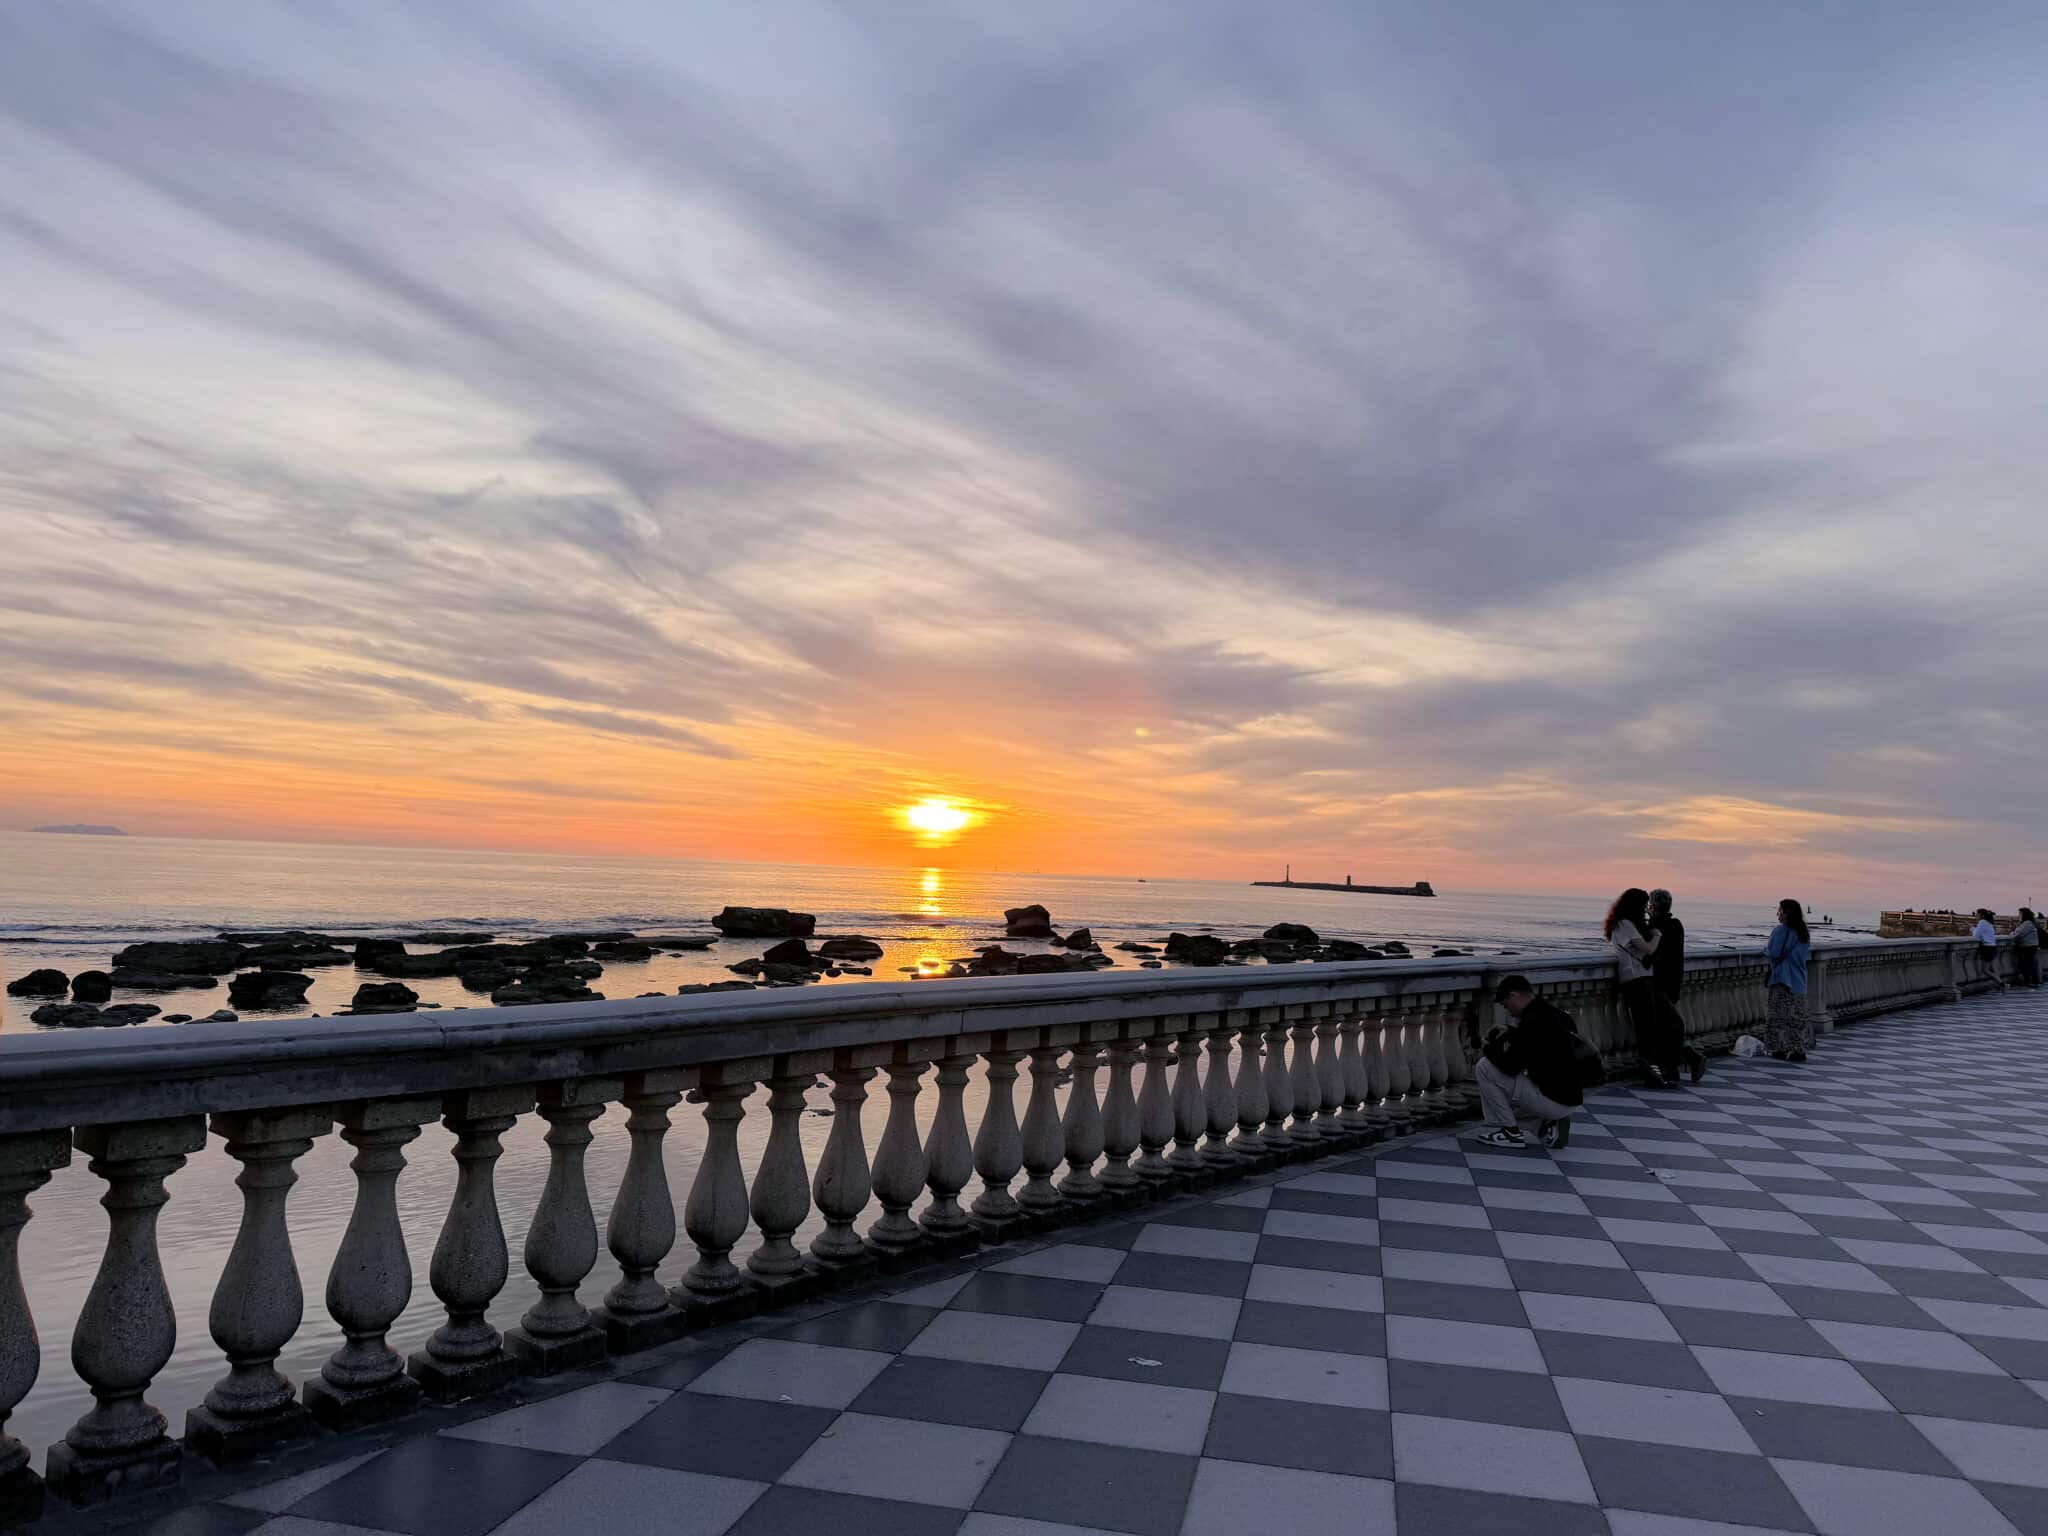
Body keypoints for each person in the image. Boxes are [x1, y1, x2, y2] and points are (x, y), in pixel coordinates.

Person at [1472, 975, 1584, 1149]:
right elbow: (1541, 1046)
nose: (1508, 1011)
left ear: (1513, 995)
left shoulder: (1532, 1021)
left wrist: (1486, 1048)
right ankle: (1546, 1126)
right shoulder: (1557, 1014)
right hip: (1571, 1098)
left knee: (1484, 1068)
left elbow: (1510, 1067)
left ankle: (1511, 1133)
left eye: (1505, 1004)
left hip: (1553, 1100)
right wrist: (1510, 1032)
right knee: (1516, 1098)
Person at [1605, 887, 1675, 1088]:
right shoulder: (1625, 924)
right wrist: (1656, 935)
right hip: (1637, 981)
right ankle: (1652, 1073)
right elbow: (1647, 949)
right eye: (1644, 905)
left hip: (1639, 979)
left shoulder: (1623, 924)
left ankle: (1654, 1072)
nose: (1646, 910)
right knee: (1647, 1028)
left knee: (1648, 1027)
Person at [1647, 889, 1706, 1084]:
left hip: (1658, 984)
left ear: (1653, 906)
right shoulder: (1676, 925)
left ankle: (1677, 1068)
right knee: (1667, 1028)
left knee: (1664, 1030)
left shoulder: (1656, 926)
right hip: (1673, 983)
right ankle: (1682, 1064)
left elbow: (1651, 955)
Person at [1765, 899, 1813, 1061]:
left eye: (1780, 911)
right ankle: (1798, 1050)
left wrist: (1764, 950)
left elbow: (1773, 952)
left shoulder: (1781, 931)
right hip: (1799, 981)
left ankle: (1778, 1048)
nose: (1777, 914)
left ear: (1786, 913)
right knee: (1797, 1018)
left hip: (1782, 979)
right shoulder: (1803, 932)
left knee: (1777, 1016)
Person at [1971, 909, 2006, 990]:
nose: (1975, 916)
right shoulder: (1989, 923)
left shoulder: (1982, 922)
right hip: (1993, 948)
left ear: (1981, 915)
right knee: (1992, 968)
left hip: (1987, 949)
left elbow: (1976, 936)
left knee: (1985, 970)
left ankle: (2002, 984)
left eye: (1977, 914)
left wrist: (1972, 929)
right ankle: (1999, 983)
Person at [2014, 908, 2041, 989]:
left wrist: (2012, 934)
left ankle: (2028, 981)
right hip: (2031, 946)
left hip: (2028, 947)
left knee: (2026, 964)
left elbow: (2019, 934)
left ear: (2024, 914)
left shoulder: (2027, 923)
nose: (2018, 915)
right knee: (2030, 964)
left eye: (2020, 914)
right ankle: (2034, 981)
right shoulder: (2028, 923)